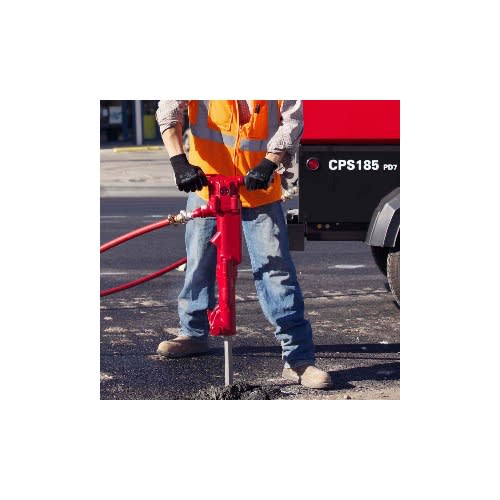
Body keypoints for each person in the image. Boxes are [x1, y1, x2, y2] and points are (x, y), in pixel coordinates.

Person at [155, 100, 331, 389]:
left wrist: (270, 161)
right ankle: (193, 333)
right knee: (199, 263)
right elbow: (168, 110)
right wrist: (178, 161)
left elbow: (292, 121)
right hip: (207, 188)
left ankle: (298, 358)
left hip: (258, 189)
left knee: (276, 272)